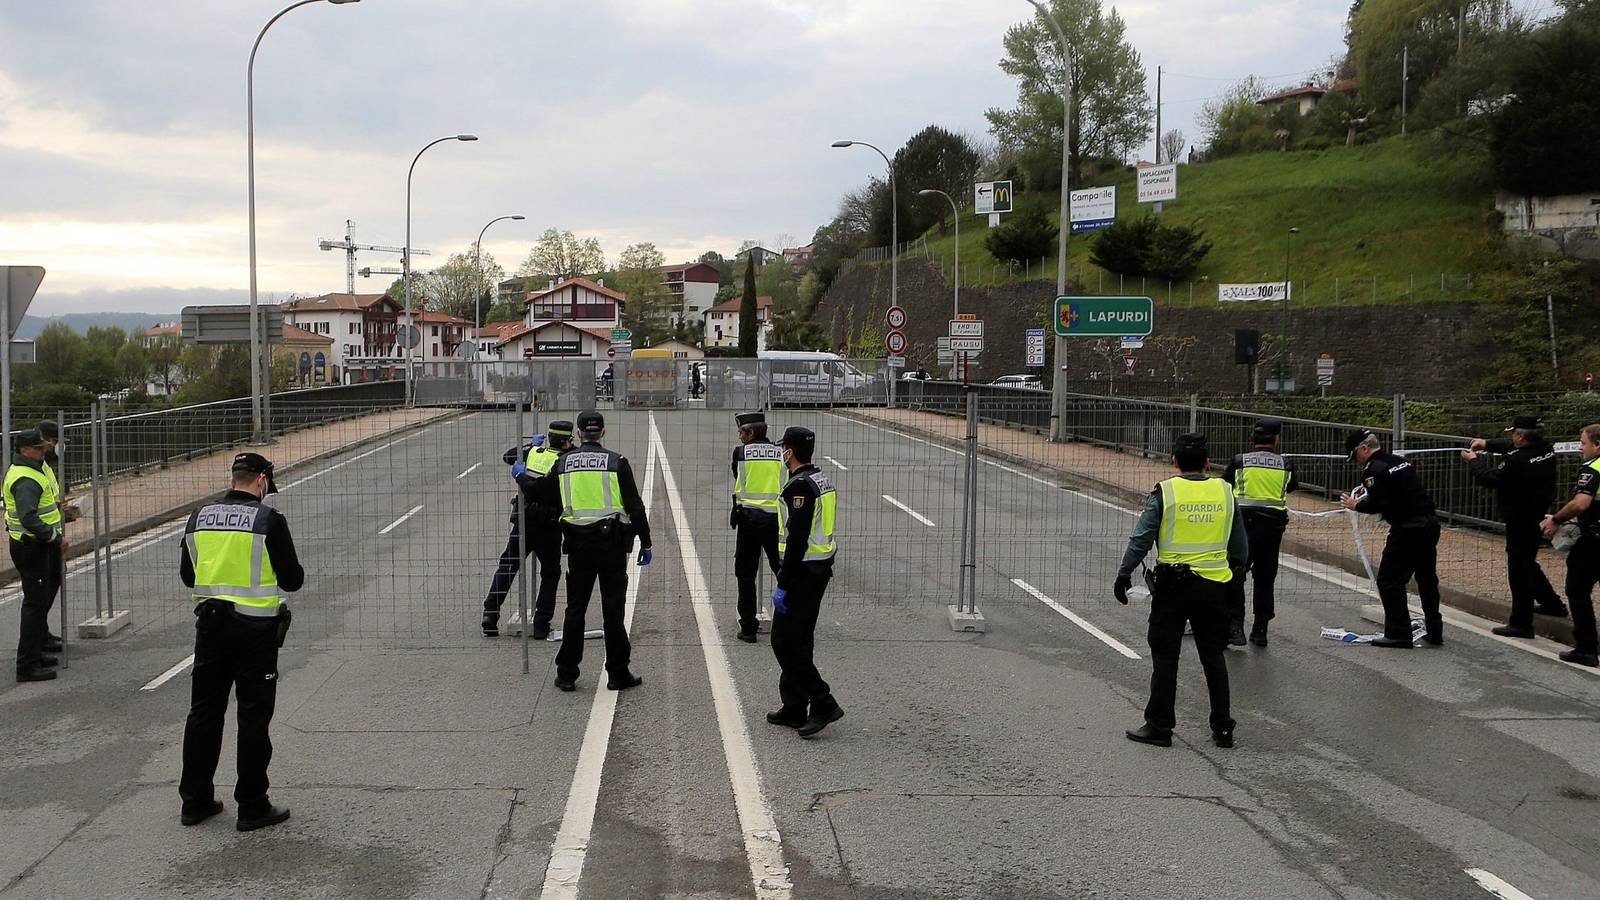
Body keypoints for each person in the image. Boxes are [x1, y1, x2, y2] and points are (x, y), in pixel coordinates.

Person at [178, 452, 304, 831]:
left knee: (203, 713)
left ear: (234, 477)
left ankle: (195, 802)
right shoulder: (268, 520)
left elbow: (189, 575)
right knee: (252, 716)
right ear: (262, 480)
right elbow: (292, 579)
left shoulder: (199, 517)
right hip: (255, 634)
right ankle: (252, 804)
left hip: (211, 629)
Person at [1114, 433, 1245, 749]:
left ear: (1174, 462)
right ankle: (1223, 727)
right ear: (1207, 462)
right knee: (1213, 656)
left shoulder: (1166, 492)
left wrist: (1124, 574)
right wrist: (1234, 577)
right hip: (1214, 586)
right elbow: (1239, 545)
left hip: (1173, 588)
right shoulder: (1226, 492)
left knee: (1166, 657)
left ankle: (1160, 726)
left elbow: (1141, 539)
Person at [538, 410, 651, 692]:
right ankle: (617, 672)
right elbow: (635, 506)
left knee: (576, 608)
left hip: (578, 545)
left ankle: (567, 673)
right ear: (603, 432)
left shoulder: (563, 463)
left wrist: (523, 474)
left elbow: (544, 493)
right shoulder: (617, 462)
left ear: (578, 434)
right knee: (613, 610)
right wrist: (645, 541)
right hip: (611, 545)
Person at [765, 426, 844, 738]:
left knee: (783, 642)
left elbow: (796, 540)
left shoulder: (799, 487)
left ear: (789, 452)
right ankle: (795, 706)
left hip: (803, 571)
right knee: (801, 639)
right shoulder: (820, 480)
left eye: (784, 448)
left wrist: (783, 582)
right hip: (819, 567)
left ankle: (823, 701)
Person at [1463, 414, 1567, 638]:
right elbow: (1512, 447)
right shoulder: (1545, 449)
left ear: (1521, 436)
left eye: (1514, 434)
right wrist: (1487, 444)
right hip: (1536, 511)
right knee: (1526, 561)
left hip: (1519, 516)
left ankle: (1521, 623)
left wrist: (1473, 460)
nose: (1512, 437)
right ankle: (1552, 604)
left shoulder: (1516, 461)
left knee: (1518, 570)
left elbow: (1488, 478)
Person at [1341, 429, 1443, 648]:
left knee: (1389, 580)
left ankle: (1399, 633)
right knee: (1426, 579)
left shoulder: (1373, 470)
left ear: (1364, 449)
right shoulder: (1399, 461)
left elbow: (1379, 502)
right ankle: (1435, 630)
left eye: (1355, 455)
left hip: (1408, 529)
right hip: (1430, 523)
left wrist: (1355, 504)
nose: (1356, 461)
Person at [482, 421, 574, 639]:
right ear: (567, 441)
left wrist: (531, 446)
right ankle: (541, 624)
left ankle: (490, 614)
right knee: (550, 573)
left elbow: (508, 456)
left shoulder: (534, 452)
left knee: (508, 565)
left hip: (523, 520)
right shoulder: (564, 460)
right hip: (548, 524)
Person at [1222, 419, 1298, 647]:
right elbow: (1291, 486)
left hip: (1242, 526)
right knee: (1265, 579)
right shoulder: (1286, 464)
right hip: (1272, 530)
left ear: (1253, 439)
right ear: (1276, 440)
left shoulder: (1239, 461)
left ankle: (1234, 627)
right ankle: (1260, 629)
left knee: (1236, 574)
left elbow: (1226, 485)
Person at [8, 430, 67, 683]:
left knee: (43, 596)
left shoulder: (35, 469)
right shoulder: (25, 479)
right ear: (25, 451)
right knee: (34, 604)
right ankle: (27, 665)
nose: (45, 451)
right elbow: (28, 517)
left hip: (40, 545)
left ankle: (38, 646)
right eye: (39, 448)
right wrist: (53, 536)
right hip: (32, 546)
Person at [1540, 423, 1600, 667]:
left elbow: (1581, 503)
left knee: (1577, 589)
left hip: (1595, 540)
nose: (1580, 447)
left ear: (1597, 445)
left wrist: (1556, 519)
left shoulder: (1593, 468)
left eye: (1583, 443)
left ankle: (1586, 648)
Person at [730, 412, 783, 643]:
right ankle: (786, 623)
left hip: (748, 520)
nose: (739, 436)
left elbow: (736, 475)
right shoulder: (780, 453)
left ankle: (749, 628)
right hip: (775, 520)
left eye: (742, 432)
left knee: (745, 574)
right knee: (782, 570)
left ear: (751, 433)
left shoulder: (740, 453)